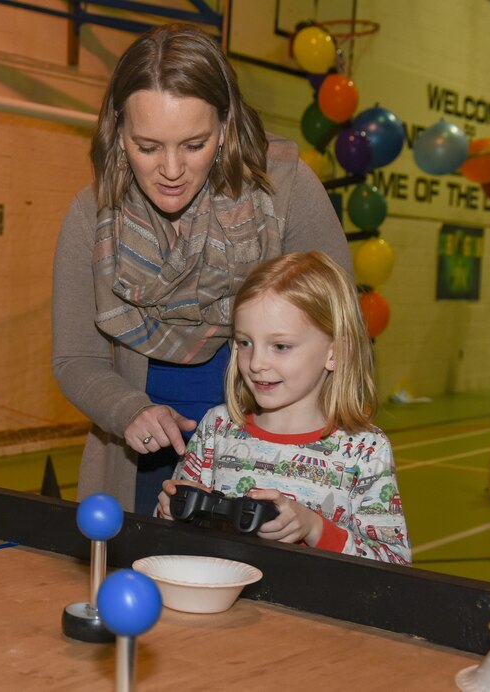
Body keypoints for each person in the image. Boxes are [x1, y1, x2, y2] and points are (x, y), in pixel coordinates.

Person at [52, 24, 351, 514]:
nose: (171, 169)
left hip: (276, 460)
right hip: (142, 463)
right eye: (147, 147)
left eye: (194, 144)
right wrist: (128, 410)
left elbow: (340, 327)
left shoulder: (286, 191)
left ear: (226, 126)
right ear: (117, 133)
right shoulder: (91, 217)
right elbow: (74, 359)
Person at [156, 251, 411, 564]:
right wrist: (170, 512)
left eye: (280, 346)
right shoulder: (217, 428)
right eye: (245, 343)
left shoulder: (365, 452)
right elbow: (173, 536)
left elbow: (394, 565)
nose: (257, 363)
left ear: (336, 352)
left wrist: (314, 528)